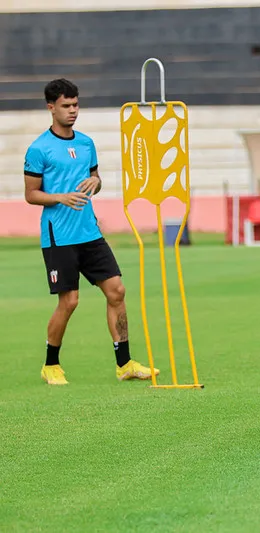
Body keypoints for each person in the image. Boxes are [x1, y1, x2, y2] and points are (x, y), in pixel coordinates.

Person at [24, 78, 159, 385]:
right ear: (51, 108)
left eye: (76, 105)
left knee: (117, 291)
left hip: (90, 232)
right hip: (59, 235)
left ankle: (124, 364)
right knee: (69, 301)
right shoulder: (39, 149)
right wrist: (60, 197)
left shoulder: (86, 143)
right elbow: (31, 194)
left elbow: (95, 177)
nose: (73, 111)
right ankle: (51, 365)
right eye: (66, 106)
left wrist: (95, 183)